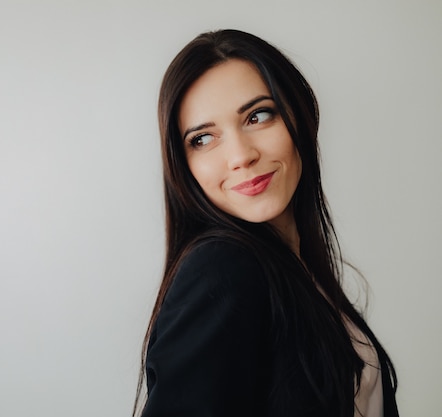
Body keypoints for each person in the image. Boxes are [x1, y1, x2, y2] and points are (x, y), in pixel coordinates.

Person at [134, 30, 399, 417]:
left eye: (258, 116)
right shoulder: (222, 270)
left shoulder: (295, 270)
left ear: (300, 115)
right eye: (203, 139)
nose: (241, 156)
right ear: (184, 166)